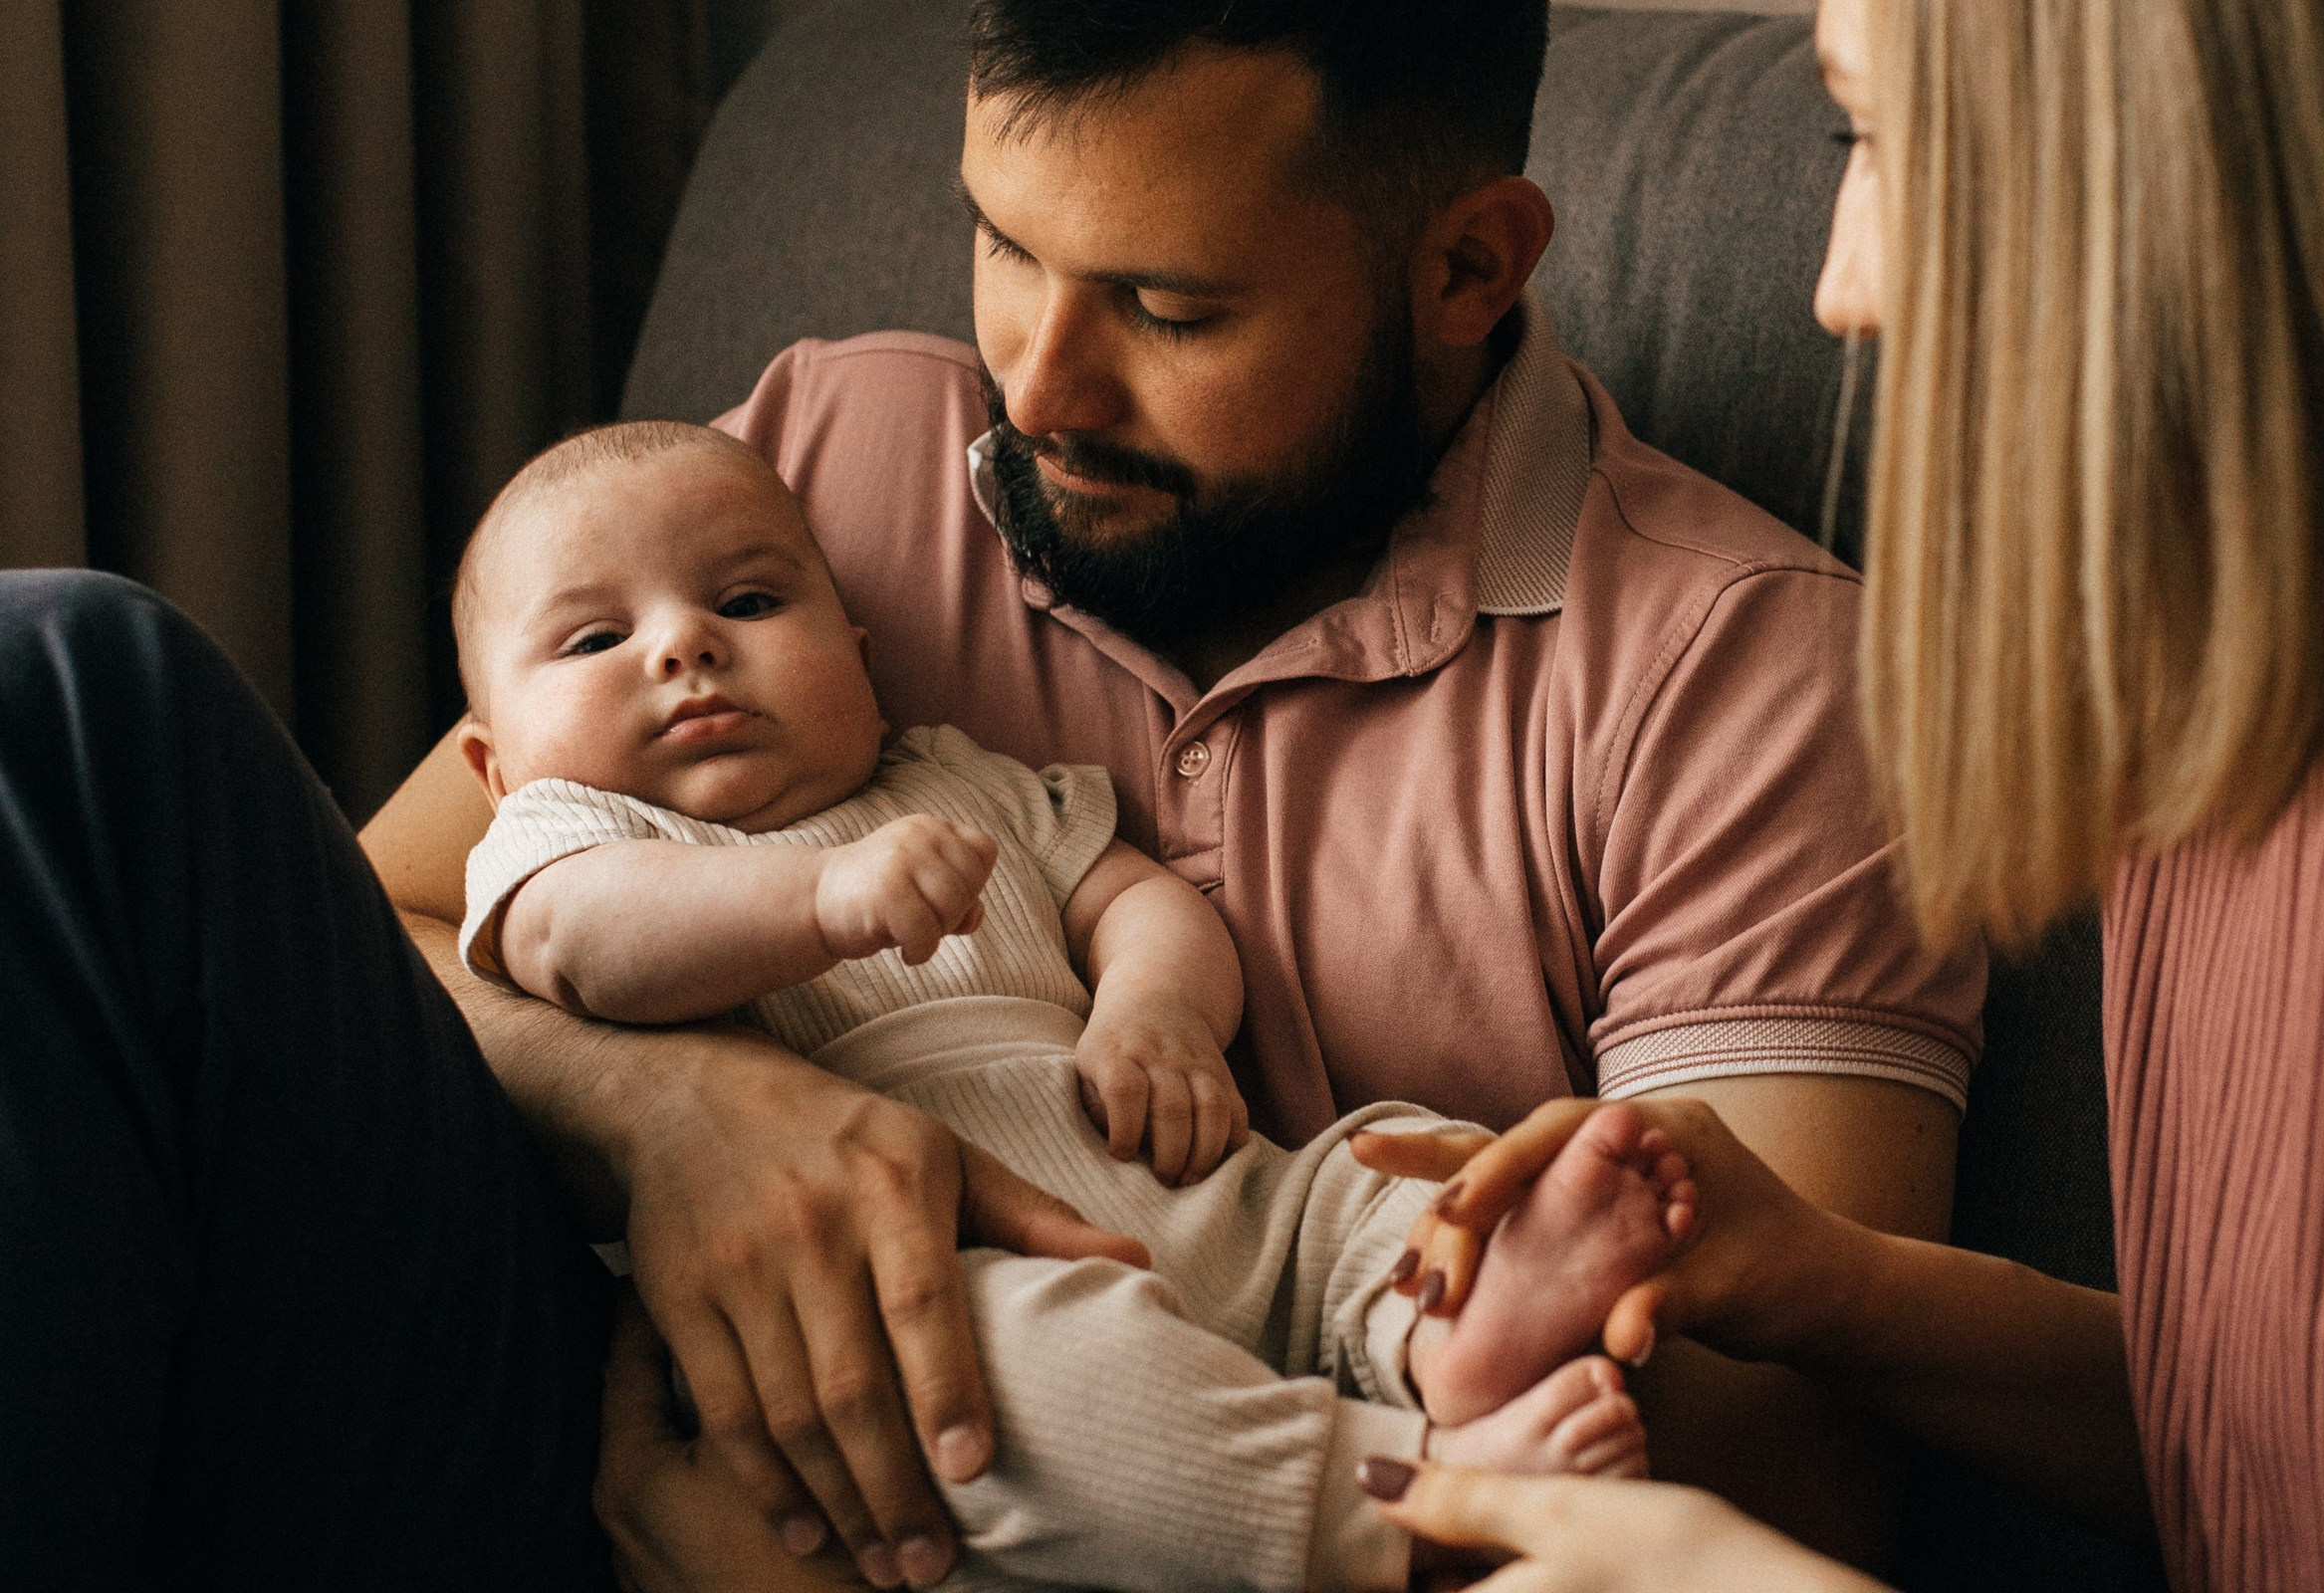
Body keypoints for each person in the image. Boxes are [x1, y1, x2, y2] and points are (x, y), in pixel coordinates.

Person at [361, 0, 1986, 1584]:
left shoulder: (1747, 683)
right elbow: (380, 928)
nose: (1036, 388)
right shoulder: (810, 475)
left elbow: (1754, 1517)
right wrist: (676, 1113)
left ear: (1469, 267)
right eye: (1003, 245)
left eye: (1166, 307)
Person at [1353, 0, 2324, 1588]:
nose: (1843, 290)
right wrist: (1828, 1284)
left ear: (2173, 194)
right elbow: (2292, 1454)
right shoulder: (2239, 762)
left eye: (1886, 146)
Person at [449, 416, 1678, 1590]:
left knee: (1374, 1167)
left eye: (752, 602)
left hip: (1199, 1186)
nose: (685, 645)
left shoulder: (948, 776)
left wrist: (1153, 1009)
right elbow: (593, 945)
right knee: (1020, 1376)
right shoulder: (570, 835)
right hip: (922, 1286)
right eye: (593, 640)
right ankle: (1395, 1499)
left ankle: (1443, 1327)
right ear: (491, 763)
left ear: (863, 658)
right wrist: (820, 896)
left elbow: (1135, 899)